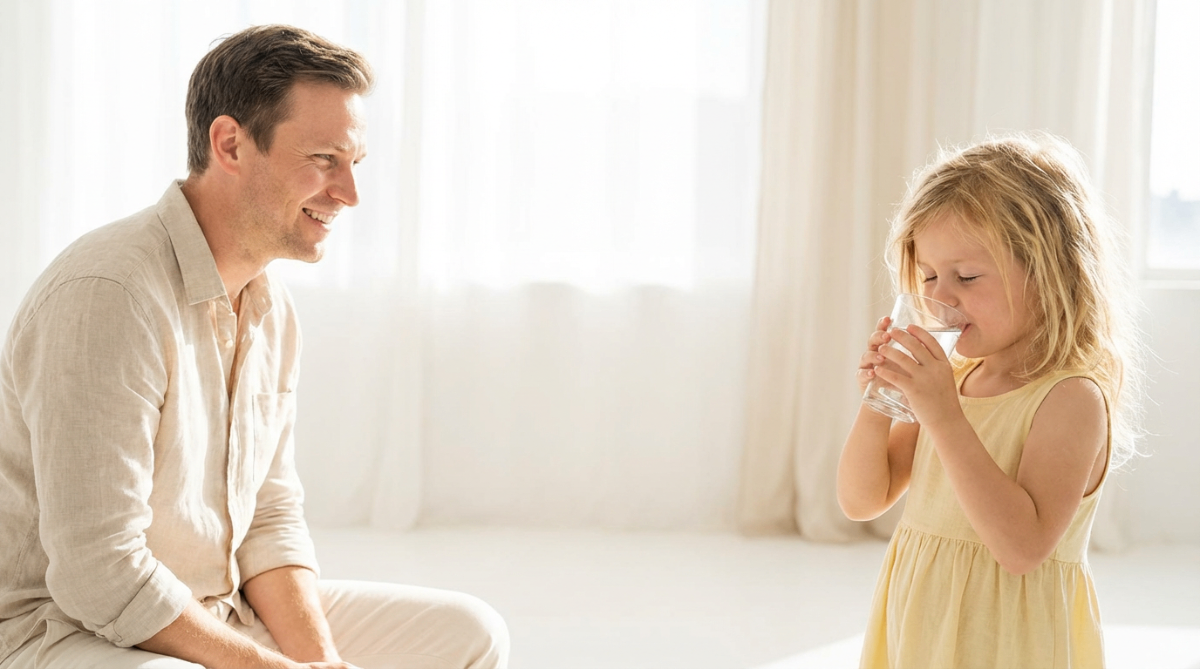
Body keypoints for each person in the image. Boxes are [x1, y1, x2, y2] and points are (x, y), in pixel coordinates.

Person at [0, 25, 508, 669]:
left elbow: (267, 516)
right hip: (68, 632)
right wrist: (263, 667)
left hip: (216, 608)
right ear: (230, 143)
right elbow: (98, 570)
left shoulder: (270, 305)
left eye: (354, 164)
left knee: (470, 633)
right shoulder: (109, 293)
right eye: (324, 158)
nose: (349, 193)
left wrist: (318, 663)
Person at [837, 134, 1143, 668]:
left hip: (1008, 642)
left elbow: (1022, 549)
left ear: (1051, 272)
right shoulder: (953, 380)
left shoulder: (1070, 398)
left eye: (967, 276)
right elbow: (862, 499)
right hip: (923, 627)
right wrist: (879, 396)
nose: (939, 297)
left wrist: (943, 416)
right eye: (929, 276)